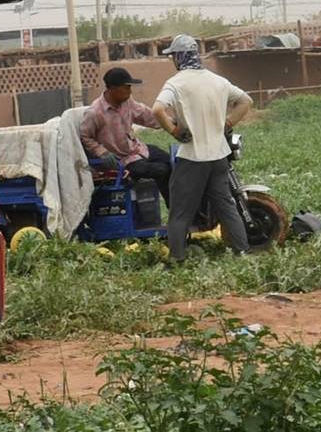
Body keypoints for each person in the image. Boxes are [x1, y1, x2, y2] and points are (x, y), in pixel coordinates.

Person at [155, 33, 252, 262]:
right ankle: (243, 251)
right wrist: (227, 123)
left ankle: (177, 259)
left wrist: (174, 131)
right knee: (226, 206)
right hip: (219, 156)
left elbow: (157, 110)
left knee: (180, 212)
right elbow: (246, 101)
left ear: (178, 58)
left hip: (192, 157)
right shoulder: (217, 80)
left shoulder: (176, 83)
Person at [79, 65, 172, 192]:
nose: (130, 91)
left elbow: (145, 115)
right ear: (113, 89)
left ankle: (175, 207)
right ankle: (171, 206)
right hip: (121, 160)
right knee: (161, 170)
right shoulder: (95, 113)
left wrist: (170, 122)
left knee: (170, 162)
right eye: (127, 87)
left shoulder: (128, 102)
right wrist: (102, 152)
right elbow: (85, 136)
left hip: (137, 149)